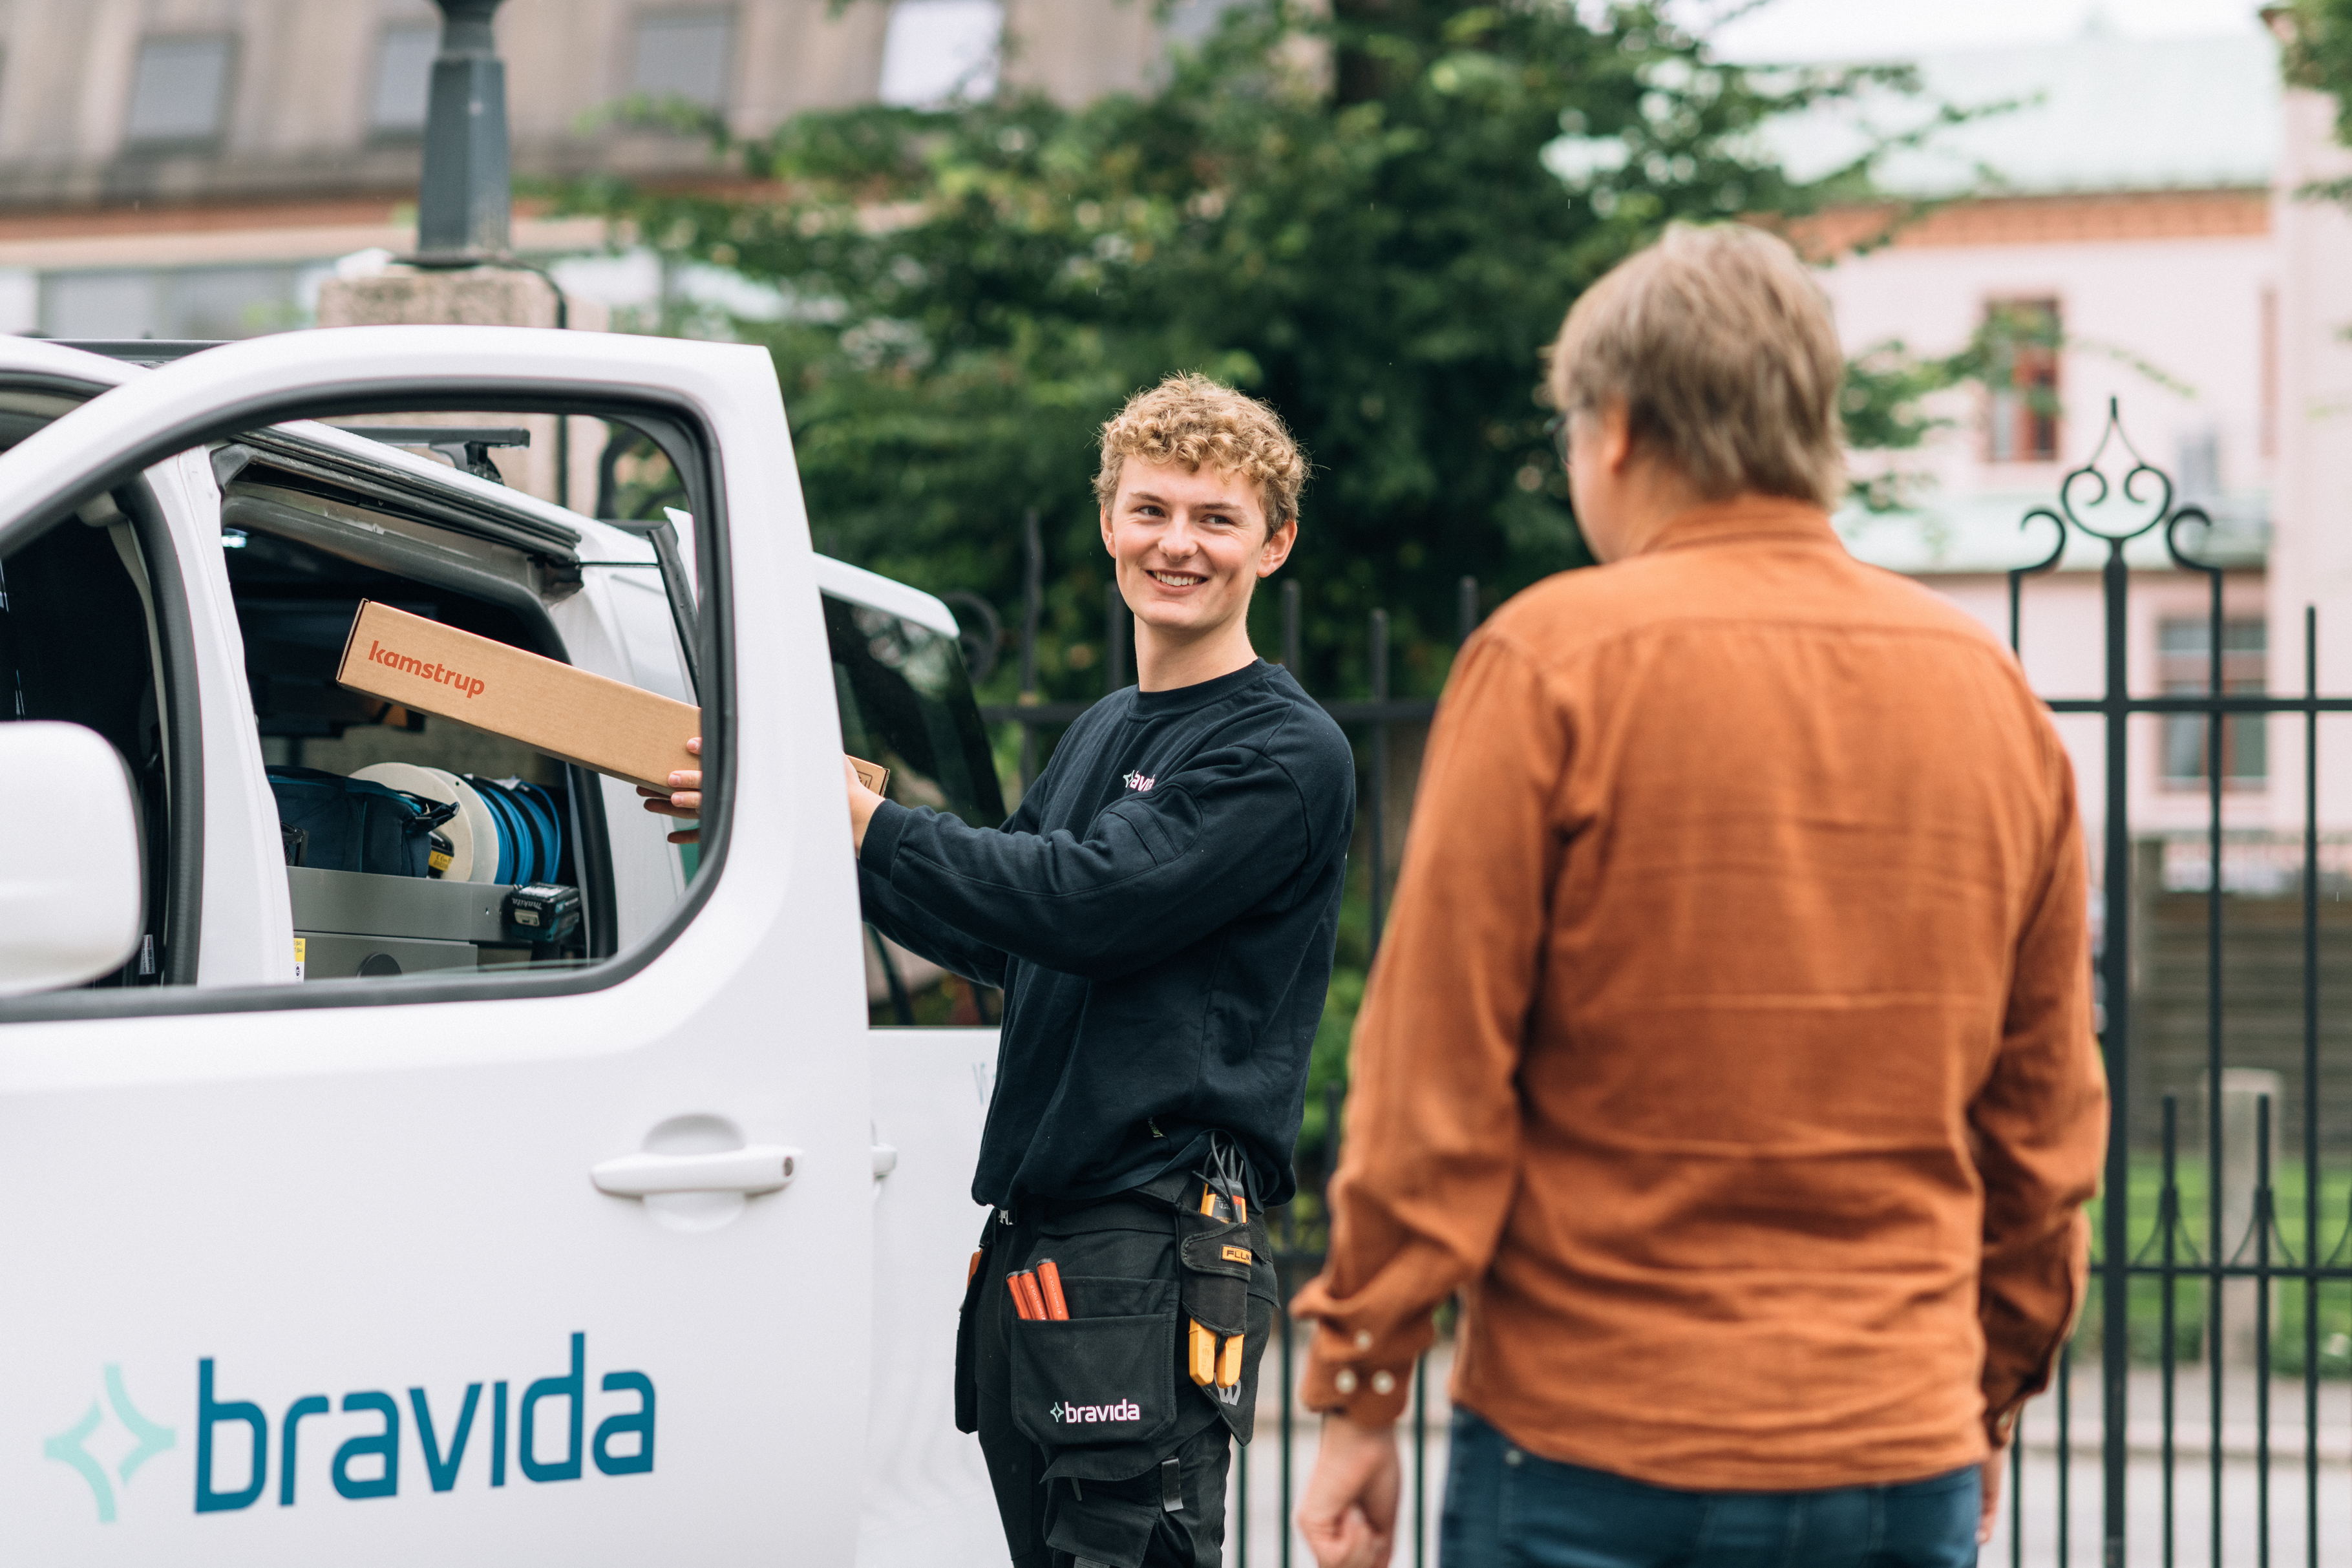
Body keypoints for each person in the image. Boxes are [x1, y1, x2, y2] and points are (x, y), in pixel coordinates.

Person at [1287, 224, 2108, 1568]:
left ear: (1613, 430)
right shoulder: (1989, 692)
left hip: (1589, 1443)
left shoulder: (1548, 661)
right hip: (1892, 1439)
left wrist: (1364, 1383)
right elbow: (2043, 1125)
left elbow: (1432, 1084)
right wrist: (1985, 1399)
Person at [653, 373, 1355, 1568]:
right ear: (1107, 521)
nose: (1176, 543)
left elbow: (1089, 901)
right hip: (1045, 1246)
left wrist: (865, 826)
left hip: (1152, 1242)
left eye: (1214, 517)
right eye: (1150, 509)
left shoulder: (1282, 751)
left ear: (1273, 543)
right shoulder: (1103, 730)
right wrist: (820, 827)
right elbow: (1007, 929)